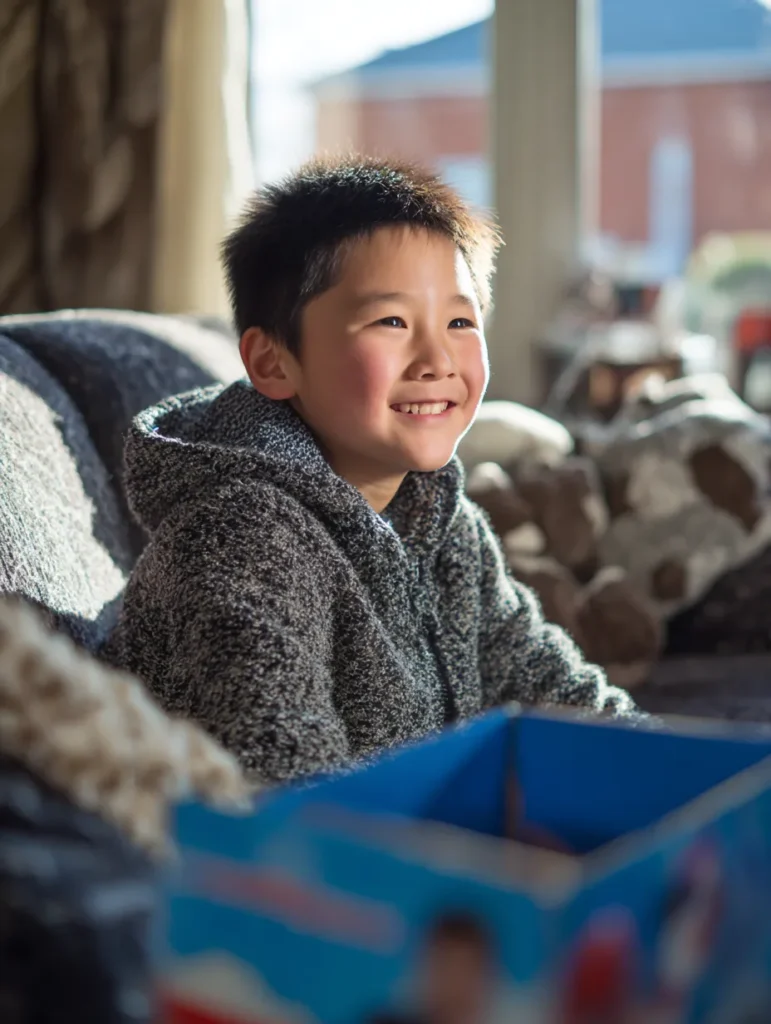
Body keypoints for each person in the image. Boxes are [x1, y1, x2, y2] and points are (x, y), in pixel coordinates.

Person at [107, 155, 639, 782]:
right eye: (391, 321)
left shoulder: (443, 520)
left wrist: (672, 774)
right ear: (274, 363)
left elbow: (548, 684)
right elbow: (289, 787)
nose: (437, 358)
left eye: (460, 322)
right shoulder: (241, 539)